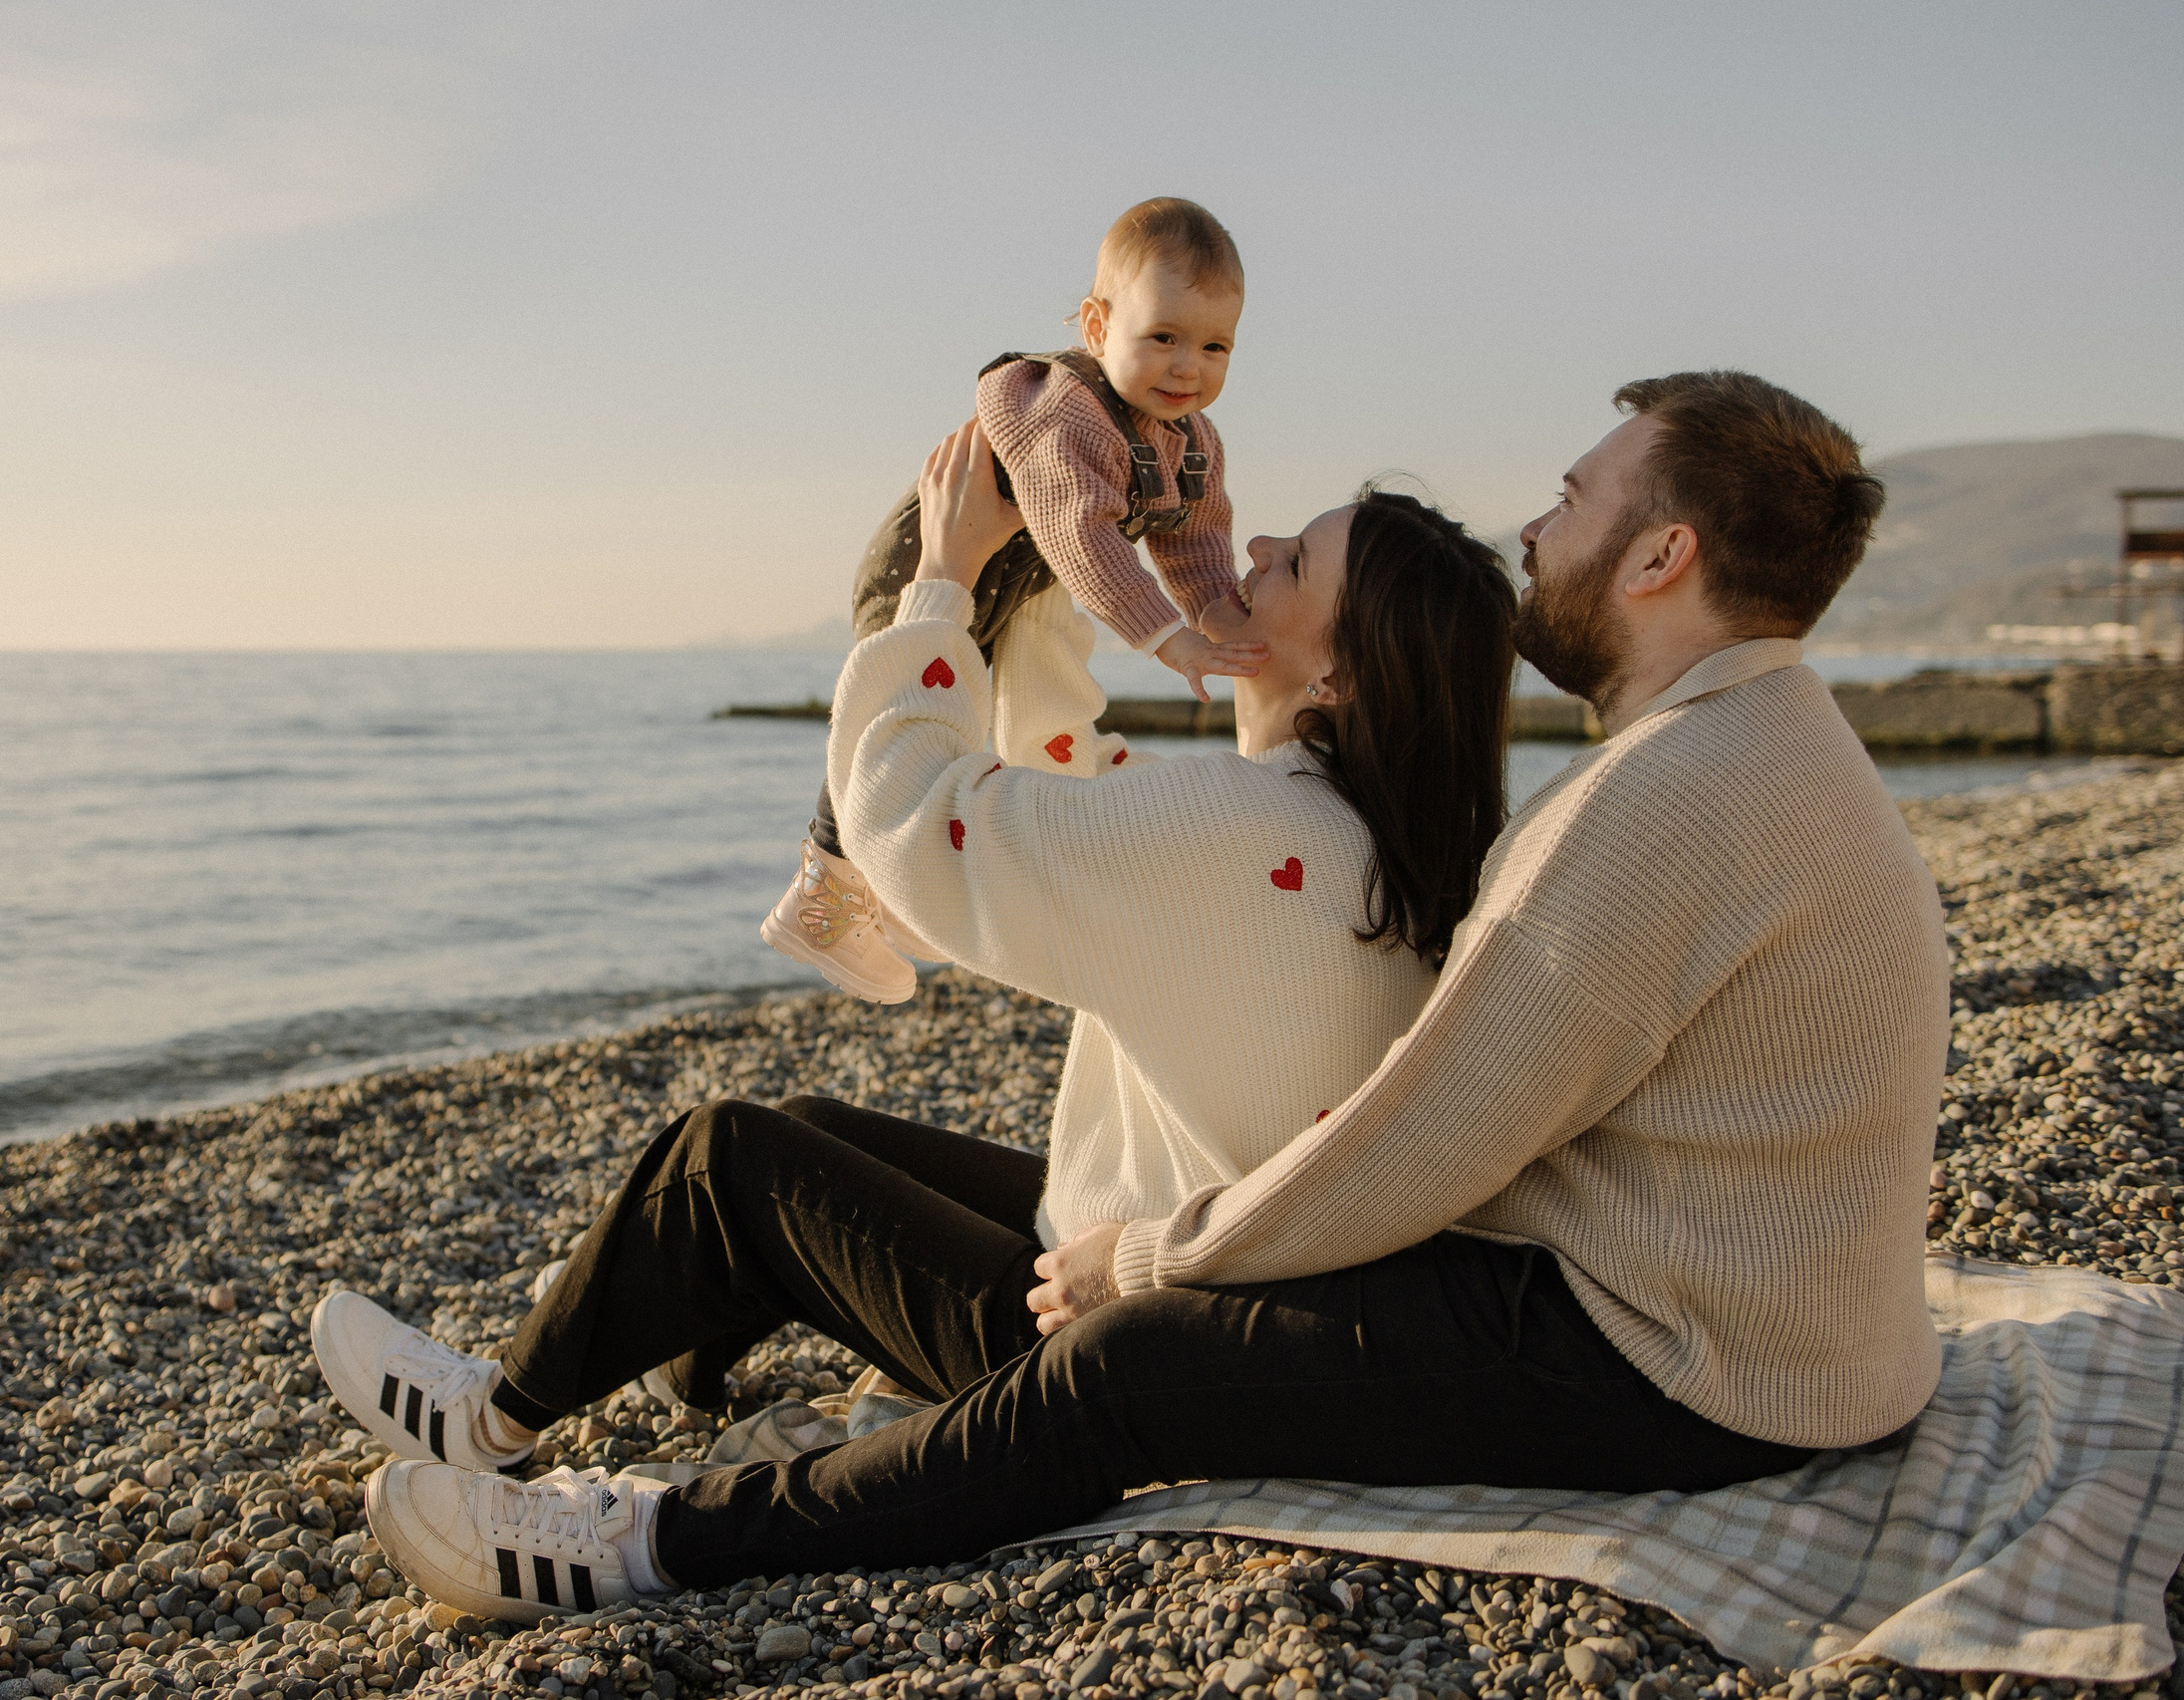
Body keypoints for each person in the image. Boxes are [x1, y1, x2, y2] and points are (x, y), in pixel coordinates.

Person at [316, 370, 1942, 1622]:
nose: (1538, 526)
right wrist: (1220, 585)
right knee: (820, 1163)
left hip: (1684, 1362)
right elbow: (1364, 991)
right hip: (1747, 1332)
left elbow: (1427, 1139)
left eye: (1579, 498)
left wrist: (1155, 1264)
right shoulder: (1730, 755)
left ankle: (644, 1542)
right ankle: (590, 1386)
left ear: (1663, 554)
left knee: (1125, 1367)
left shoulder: (1669, 797)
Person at [310, 430, 1518, 1614]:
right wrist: (1041, 578)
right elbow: (1068, 778)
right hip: (1210, 1285)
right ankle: (680, 1348)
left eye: (1296, 564)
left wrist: (942, 574)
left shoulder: (1236, 827)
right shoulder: (1369, 840)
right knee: (813, 1127)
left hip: (1087, 1332)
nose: (1253, 543)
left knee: (731, 1155)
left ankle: (491, 1415)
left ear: (1338, 675)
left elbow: (919, 822)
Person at [761, 196, 1263, 1006]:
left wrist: (1226, 627)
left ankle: (894, 890)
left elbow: (1195, 544)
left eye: (1215, 346)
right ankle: (825, 886)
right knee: (895, 712)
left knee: (979, 728)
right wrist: (1170, 639)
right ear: (1097, 329)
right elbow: (1081, 537)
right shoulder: (1069, 409)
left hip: (1012, 586)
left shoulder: (1192, 444)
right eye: (1163, 337)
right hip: (929, 560)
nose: (1188, 368)